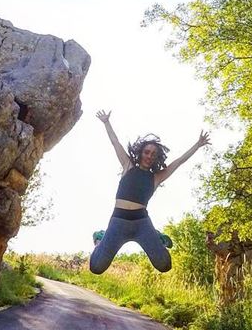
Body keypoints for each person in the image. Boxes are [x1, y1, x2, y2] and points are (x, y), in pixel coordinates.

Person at [89, 109, 210, 275]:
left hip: (141, 223)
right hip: (118, 223)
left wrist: (197, 145)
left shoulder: (156, 177)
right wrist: (106, 122)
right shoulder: (128, 166)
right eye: (147, 152)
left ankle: (157, 237)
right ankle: (100, 239)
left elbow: (179, 162)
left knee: (164, 265)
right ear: (140, 153)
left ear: (156, 158)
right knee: (96, 267)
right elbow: (115, 142)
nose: (149, 156)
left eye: (153, 154)